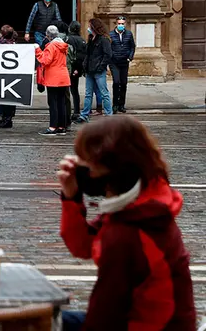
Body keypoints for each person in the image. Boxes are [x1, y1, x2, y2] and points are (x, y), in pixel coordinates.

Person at [57, 116, 195, 331]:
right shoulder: (143, 203)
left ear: (113, 168)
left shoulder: (127, 233)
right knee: (54, 319)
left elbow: (104, 317)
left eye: (88, 162)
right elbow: (84, 245)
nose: (81, 168)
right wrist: (71, 197)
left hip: (144, 325)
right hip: (151, 322)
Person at [34, 26, 70, 136]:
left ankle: (53, 127)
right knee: (61, 102)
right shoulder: (62, 45)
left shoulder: (51, 46)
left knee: (53, 103)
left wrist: (37, 50)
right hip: (63, 77)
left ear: (48, 35)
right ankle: (61, 127)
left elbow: (45, 60)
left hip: (53, 78)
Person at [76, 19, 113, 123]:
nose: (88, 28)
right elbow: (88, 54)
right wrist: (85, 66)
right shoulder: (91, 38)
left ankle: (109, 114)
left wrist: (101, 67)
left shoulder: (103, 39)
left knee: (104, 93)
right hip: (90, 70)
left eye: (90, 26)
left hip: (98, 71)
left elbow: (108, 55)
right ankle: (84, 114)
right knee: (88, 93)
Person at [0, 25, 18, 129]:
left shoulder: (1, 44)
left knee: (4, 97)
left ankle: (6, 119)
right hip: (11, 75)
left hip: (3, 74)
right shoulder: (14, 44)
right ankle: (7, 118)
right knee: (9, 97)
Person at [109, 16, 136, 114]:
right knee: (116, 82)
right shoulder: (111, 34)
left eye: (122, 24)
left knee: (123, 83)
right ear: (116, 24)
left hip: (124, 62)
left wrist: (130, 57)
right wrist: (111, 58)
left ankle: (121, 104)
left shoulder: (128, 34)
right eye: (119, 23)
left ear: (125, 24)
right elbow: (108, 47)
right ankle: (115, 104)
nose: (121, 25)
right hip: (114, 62)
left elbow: (132, 46)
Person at [66, 21, 87, 119]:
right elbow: (83, 56)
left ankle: (67, 111)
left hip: (70, 68)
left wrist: (73, 68)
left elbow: (70, 56)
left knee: (67, 91)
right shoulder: (82, 40)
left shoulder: (69, 39)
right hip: (77, 68)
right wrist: (79, 69)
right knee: (75, 90)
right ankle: (77, 111)